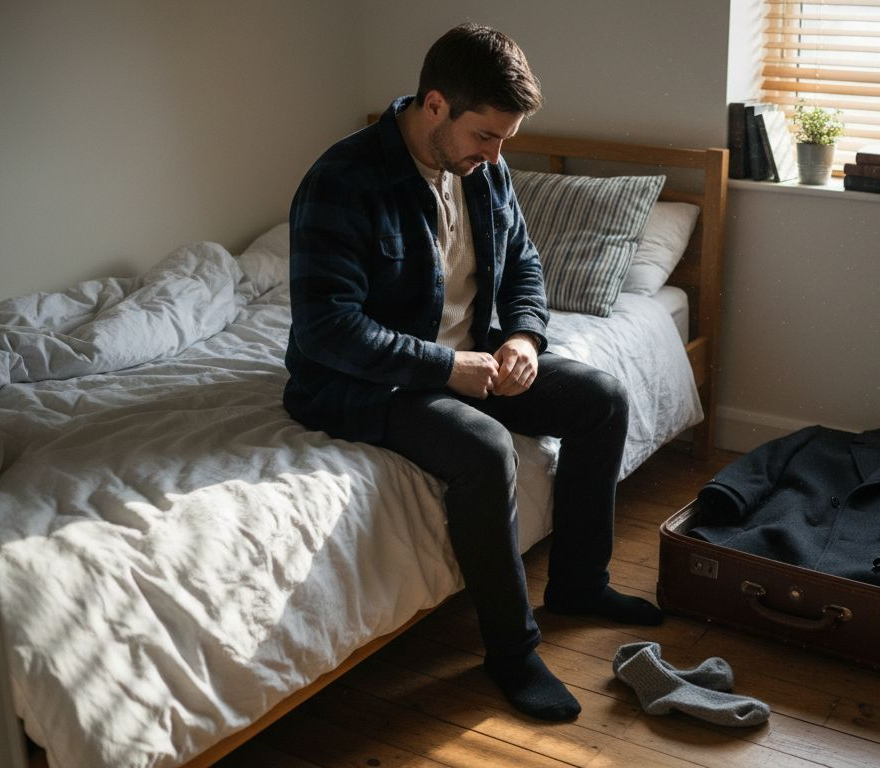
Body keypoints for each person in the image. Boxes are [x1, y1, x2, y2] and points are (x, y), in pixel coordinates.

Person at [282, 23, 663, 722]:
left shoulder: (483, 171)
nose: (495, 155)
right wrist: (443, 366)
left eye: (504, 140)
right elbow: (326, 329)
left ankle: (580, 584)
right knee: (485, 451)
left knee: (602, 397)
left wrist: (524, 336)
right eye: (485, 135)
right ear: (434, 106)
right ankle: (511, 654)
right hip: (364, 382)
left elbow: (522, 264)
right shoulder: (343, 181)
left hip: (474, 358)